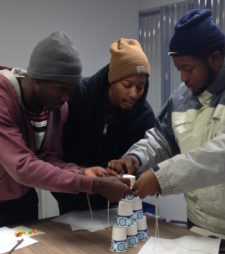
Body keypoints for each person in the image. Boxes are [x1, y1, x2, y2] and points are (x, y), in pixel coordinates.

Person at [108, 8, 225, 235]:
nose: (182, 78)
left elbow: (219, 154)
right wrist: (135, 159)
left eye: (188, 69)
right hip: (199, 226)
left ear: (215, 59)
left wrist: (163, 177)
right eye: (179, 69)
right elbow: (162, 139)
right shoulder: (181, 97)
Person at [0, 30, 130, 226]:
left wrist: (81, 172)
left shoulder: (57, 108)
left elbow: (49, 158)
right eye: (61, 89)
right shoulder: (4, 100)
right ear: (37, 77)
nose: (66, 98)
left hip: (23, 200)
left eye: (70, 91)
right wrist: (93, 185)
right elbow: (21, 166)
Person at [53, 38, 155, 214]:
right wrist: (85, 176)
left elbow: (145, 162)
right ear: (112, 79)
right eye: (127, 85)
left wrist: (123, 171)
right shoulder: (76, 98)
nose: (134, 94)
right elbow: (55, 155)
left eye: (140, 87)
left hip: (116, 207)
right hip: (72, 201)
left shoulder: (143, 115)